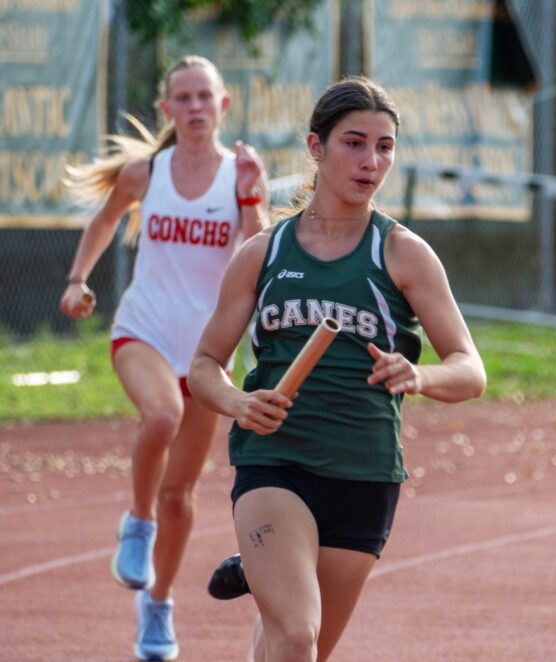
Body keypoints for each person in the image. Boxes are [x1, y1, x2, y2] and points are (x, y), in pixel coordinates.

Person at [187, 75, 486, 662]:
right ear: (316, 147)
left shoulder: (403, 254)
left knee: (298, 648)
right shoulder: (264, 254)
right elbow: (203, 366)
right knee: (298, 632)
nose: (371, 161)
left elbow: (470, 369)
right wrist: (237, 403)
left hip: (365, 472)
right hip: (274, 462)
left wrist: (419, 376)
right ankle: (270, 562)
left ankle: (266, 569)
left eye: (385, 146)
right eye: (354, 143)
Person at [59, 54, 269, 661]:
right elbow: (103, 220)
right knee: (160, 418)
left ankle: (157, 605)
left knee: (183, 493)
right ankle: (137, 524)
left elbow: (252, 251)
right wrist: (77, 279)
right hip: (143, 329)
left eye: (207, 96)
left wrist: (253, 191)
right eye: (185, 98)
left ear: (223, 105)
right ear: (168, 108)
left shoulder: (239, 174)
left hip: (205, 351)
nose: (197, 107)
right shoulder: (145, 174)